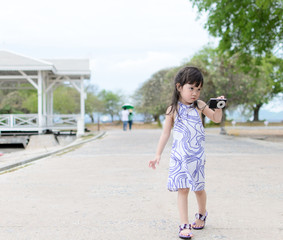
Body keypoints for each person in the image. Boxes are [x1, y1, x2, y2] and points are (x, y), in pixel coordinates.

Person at [148, 66, 225, 239]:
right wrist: (158, 154)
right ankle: (184, 224)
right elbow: (165, 133)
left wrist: (219, 107)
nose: (195, 93)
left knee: (198, 188)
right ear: (179, 87)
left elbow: (216, 118)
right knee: (183, 189)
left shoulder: (200, 105)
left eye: (198, 89)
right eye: (191, 88)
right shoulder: (172, 109)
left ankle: (202, 214)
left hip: (197, 156)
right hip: (179, 157)